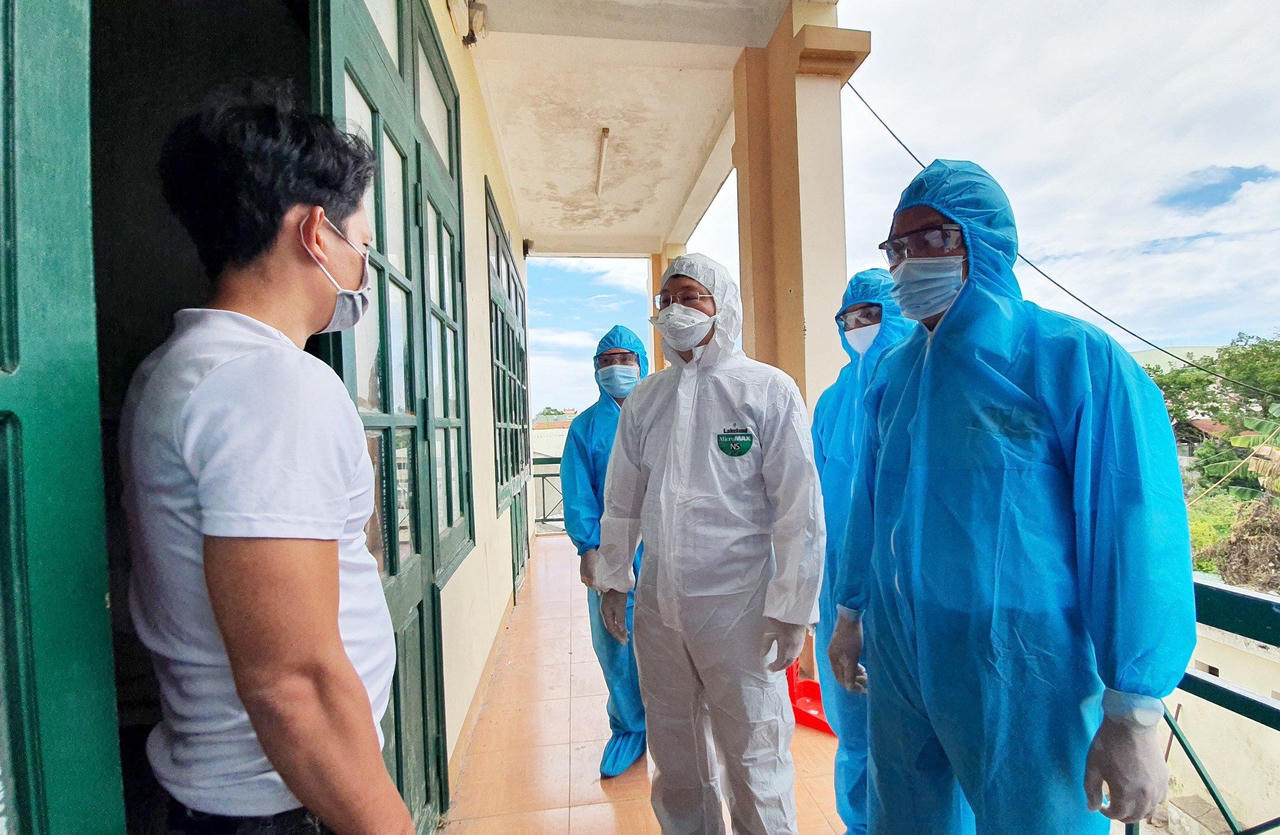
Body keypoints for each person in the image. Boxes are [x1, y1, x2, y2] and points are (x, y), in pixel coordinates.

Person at [826, 160, 1196, 834]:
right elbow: (869, 505)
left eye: (932, 239)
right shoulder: (896, 375)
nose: (909, 262)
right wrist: (850, 611)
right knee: (906, 816)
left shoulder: (1073, 358)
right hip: (904, 647)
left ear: (985, 241)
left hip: (1025, 662)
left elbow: (1134, 532)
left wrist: (1135, 708)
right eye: (897, 247)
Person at [120, 82, 413, 834]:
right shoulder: (269, 385)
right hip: (281, 804)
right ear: (316, 233)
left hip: (243, 795)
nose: (363, 271)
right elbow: (293, 685)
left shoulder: (181, 367)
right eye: (362, 247)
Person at [595, 253, 825, 835]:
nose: (677, 310)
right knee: (675, 757)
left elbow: (799, 510)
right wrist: (614, 579)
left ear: (723, 306)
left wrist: (793, 608)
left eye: (691, 296)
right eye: (667, 299)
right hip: (660, 610)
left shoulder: (768, 390)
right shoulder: (647, 399)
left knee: (754, 756)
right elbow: (621, 501)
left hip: (740, 611)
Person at [811, 269, 914, 834]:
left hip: (908, 588)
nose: (859, 327)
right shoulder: (831, 402)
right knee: (852, 724)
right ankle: (860, 824)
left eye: (871, 314)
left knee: (919, 739)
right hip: (840, 585)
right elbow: (812, 495)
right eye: (848, 319)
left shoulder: (923, 383)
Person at [561, 325, 650, 777]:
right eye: (607, 361)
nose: (617, 368)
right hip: (611, 552)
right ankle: (630, 727)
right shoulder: (585, 428)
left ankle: (672, 721)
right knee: (615, 640)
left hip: (664, 548)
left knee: (670, 638)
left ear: (642, 364)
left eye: (625, 359)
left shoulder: (662, 414)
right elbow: (578, 490)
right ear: (595, 370)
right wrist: (588, 548)